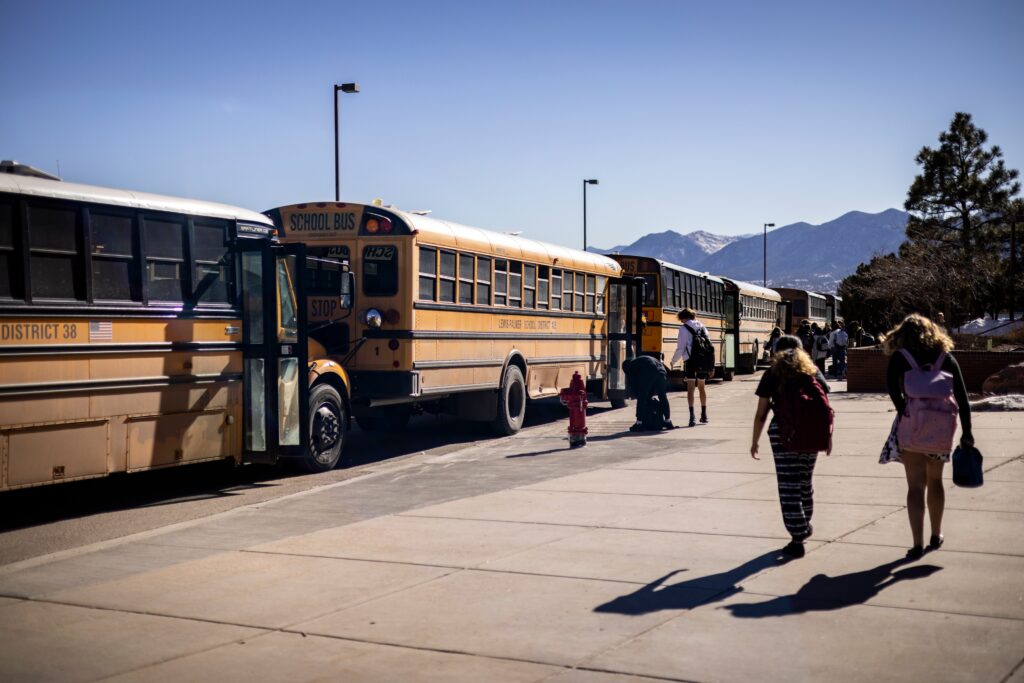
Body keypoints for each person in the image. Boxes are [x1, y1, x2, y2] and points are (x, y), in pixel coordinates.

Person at [879, 314, 974, 560]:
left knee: (915, 486)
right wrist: (967, 432)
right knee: (936, 481)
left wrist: (904, 410)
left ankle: (917, 543)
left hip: (912, 429)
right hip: (941, 428)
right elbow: (963, 399)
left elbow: (891, 387)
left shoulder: (901, 357)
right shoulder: (946, 357)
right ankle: (936, 533)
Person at [751, 335, 831, 558]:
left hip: (783, 434)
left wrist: (755, 440)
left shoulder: (773, 373)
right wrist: (828, 438)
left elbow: (761, 413)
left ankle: (798, 536)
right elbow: (825, 406)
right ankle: (805, 523)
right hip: (812, 435)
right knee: (805, 481)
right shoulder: (813, 371)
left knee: (788, 484)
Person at [671, 308, 712, 427]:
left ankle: (692, 417)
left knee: (690, 389)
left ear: (683, 318)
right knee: (701, 387)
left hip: (690, 361)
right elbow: (708, 344)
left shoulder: (683, 328)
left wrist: (674, 361)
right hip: (702, 361)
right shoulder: (702, 327)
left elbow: (681, 347)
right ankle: (704, 415)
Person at [622, 355, 674, 431]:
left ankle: (639, 423)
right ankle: (668, 421)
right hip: (661, 371)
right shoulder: (639, 361)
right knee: (663, 397)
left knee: (641, 397)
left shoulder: (629, 367)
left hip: (649, 370)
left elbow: (634, 386)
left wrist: (639, 395)